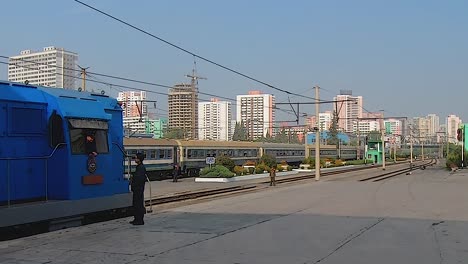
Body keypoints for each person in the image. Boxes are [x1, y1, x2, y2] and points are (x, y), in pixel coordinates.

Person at [130, 152, 147, 225]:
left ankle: (139, 220)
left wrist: (133, 181)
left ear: (139, 159)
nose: (135, 159)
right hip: (137, 188)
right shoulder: (139, 167)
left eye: (136, 158)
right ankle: (136, 218)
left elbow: (139, 179)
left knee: (138, 204)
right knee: (136, 204)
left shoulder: (141, 168)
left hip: (138, 189)